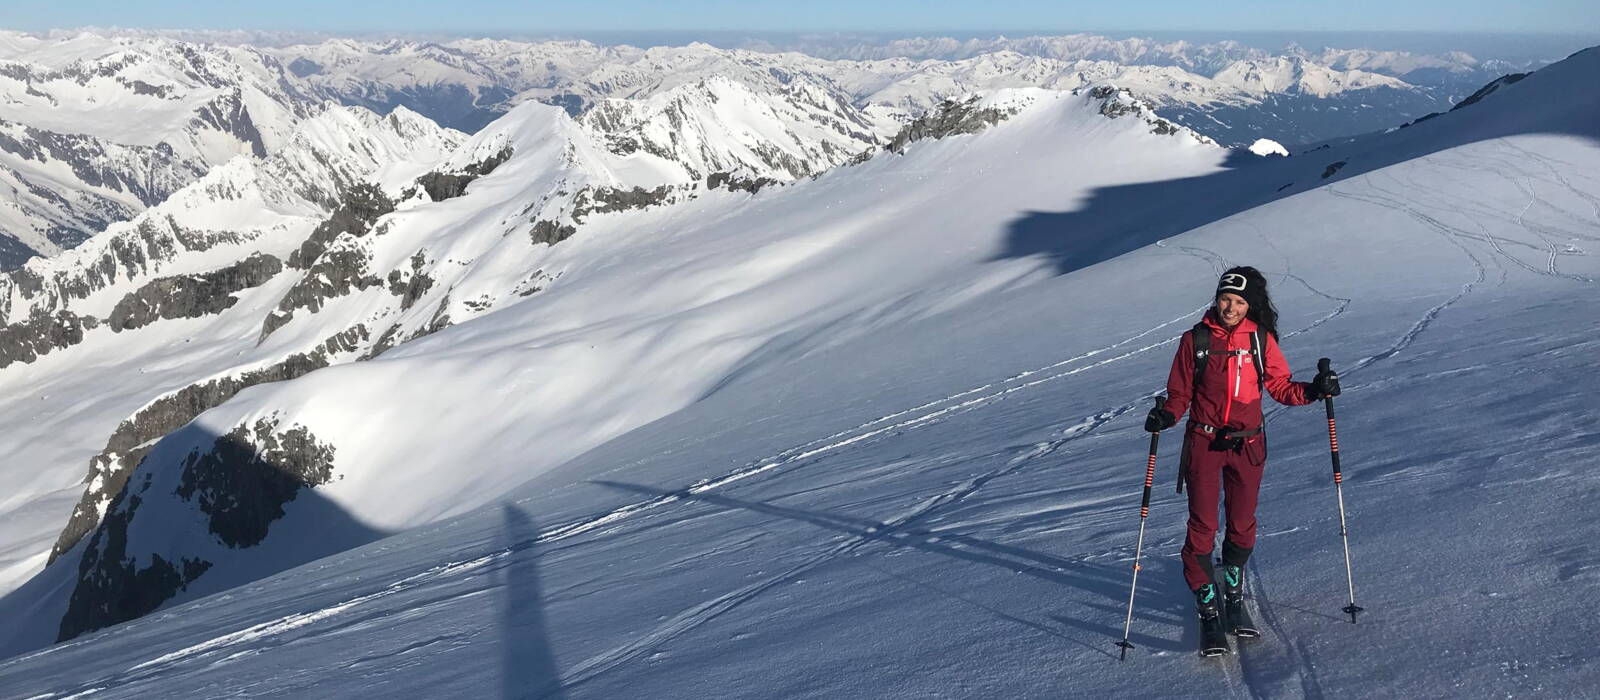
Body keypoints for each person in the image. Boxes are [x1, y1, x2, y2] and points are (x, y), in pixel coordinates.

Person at [1143, 266, 1341, 654]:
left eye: (1238, 301)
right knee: (1202, 523)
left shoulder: (1260, 340)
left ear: (1250, 304)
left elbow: (1281, 387)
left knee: (1242, 521)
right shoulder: (1194, 340)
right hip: (1203, 441)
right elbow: (1179, 394)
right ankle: (1207, 604)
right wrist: (1166, 415)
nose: (1229, 307)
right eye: (1224, 299)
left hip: (1248, 445)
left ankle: (1233, 589)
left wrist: (1316, 390)